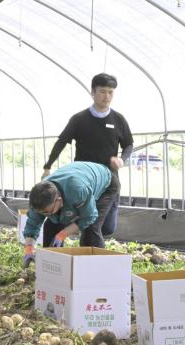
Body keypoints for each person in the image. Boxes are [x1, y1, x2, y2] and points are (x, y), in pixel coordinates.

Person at [41, 73, 133, 237]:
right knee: (90, 226)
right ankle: (62, 251)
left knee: (107, 228)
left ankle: (81, 233)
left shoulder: (119, 119)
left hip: (108, 182)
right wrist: (48, 166)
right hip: (81, 182)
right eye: (102, 91)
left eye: (110, 92)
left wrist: (122, 159)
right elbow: (62, 141)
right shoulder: (80, 119)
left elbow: (129, 145)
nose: (107, 96)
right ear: (93, 92)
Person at [22, 161, 119, 268]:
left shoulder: (77, 190)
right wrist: (29, 249)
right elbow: (33, 223)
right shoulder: (38, 198)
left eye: (47, 212)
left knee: (91, 229)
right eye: (42, 213)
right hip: (78, 178)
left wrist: (62, 234)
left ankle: (98, 269)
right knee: (51, 225)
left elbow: (89, 217)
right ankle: (53, 268)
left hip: (105, 184)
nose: (45, 215)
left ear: (59, 200)